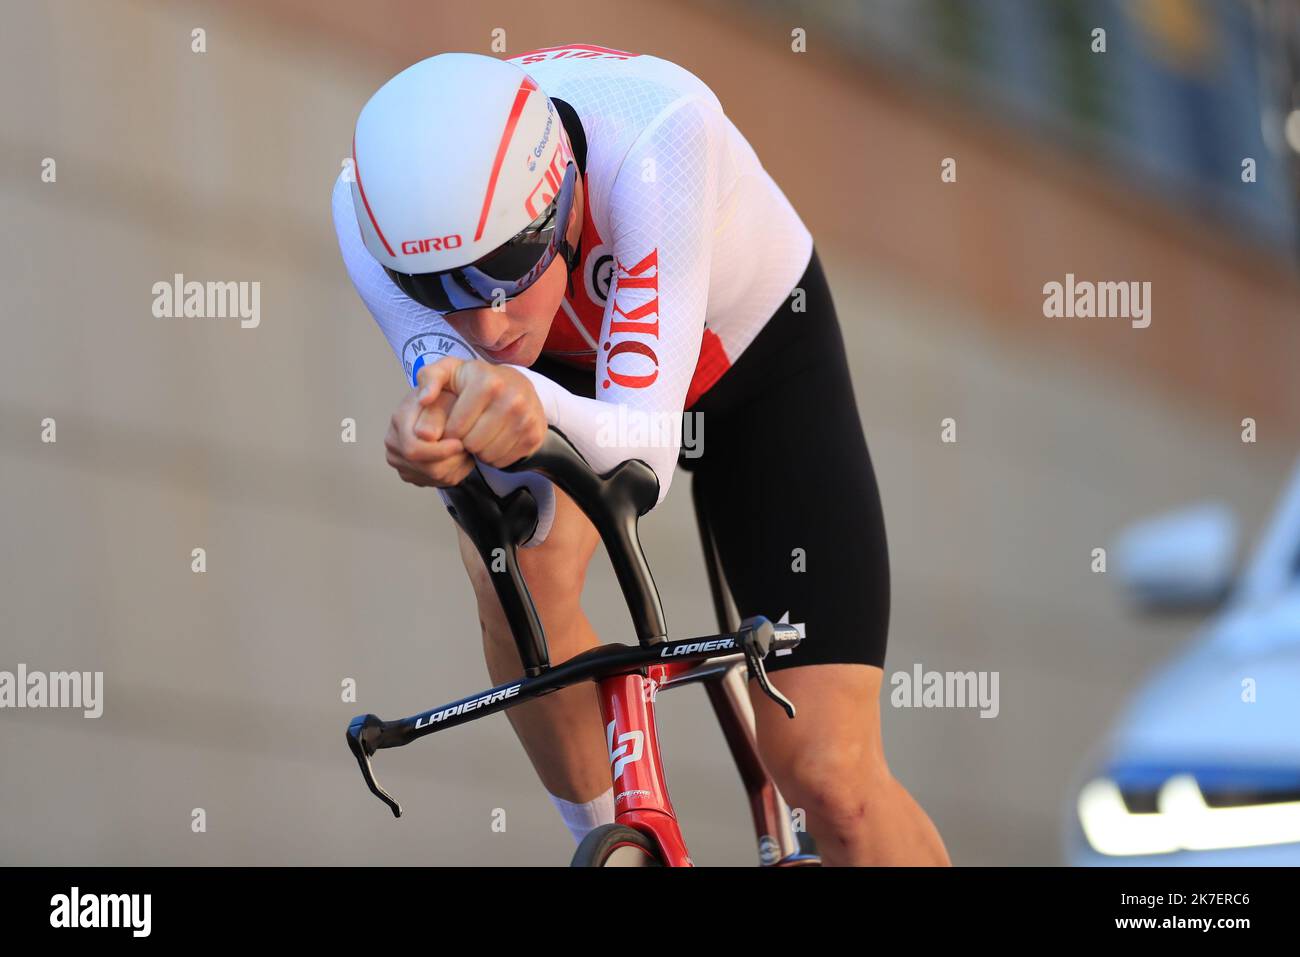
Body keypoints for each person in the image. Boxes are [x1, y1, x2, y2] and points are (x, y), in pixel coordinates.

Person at [332, 45, 949, 865]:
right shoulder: (361, 215)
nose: (486, 324)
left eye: (509, 267)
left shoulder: (660, 140)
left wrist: (529, 402)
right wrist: (438, 448)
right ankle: (616, 847)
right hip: (562, 372)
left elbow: (641, 460)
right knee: (507, 556)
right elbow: (467, 427)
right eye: (440, 286)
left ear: (559, 201)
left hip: (750, 357)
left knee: (829, 773)